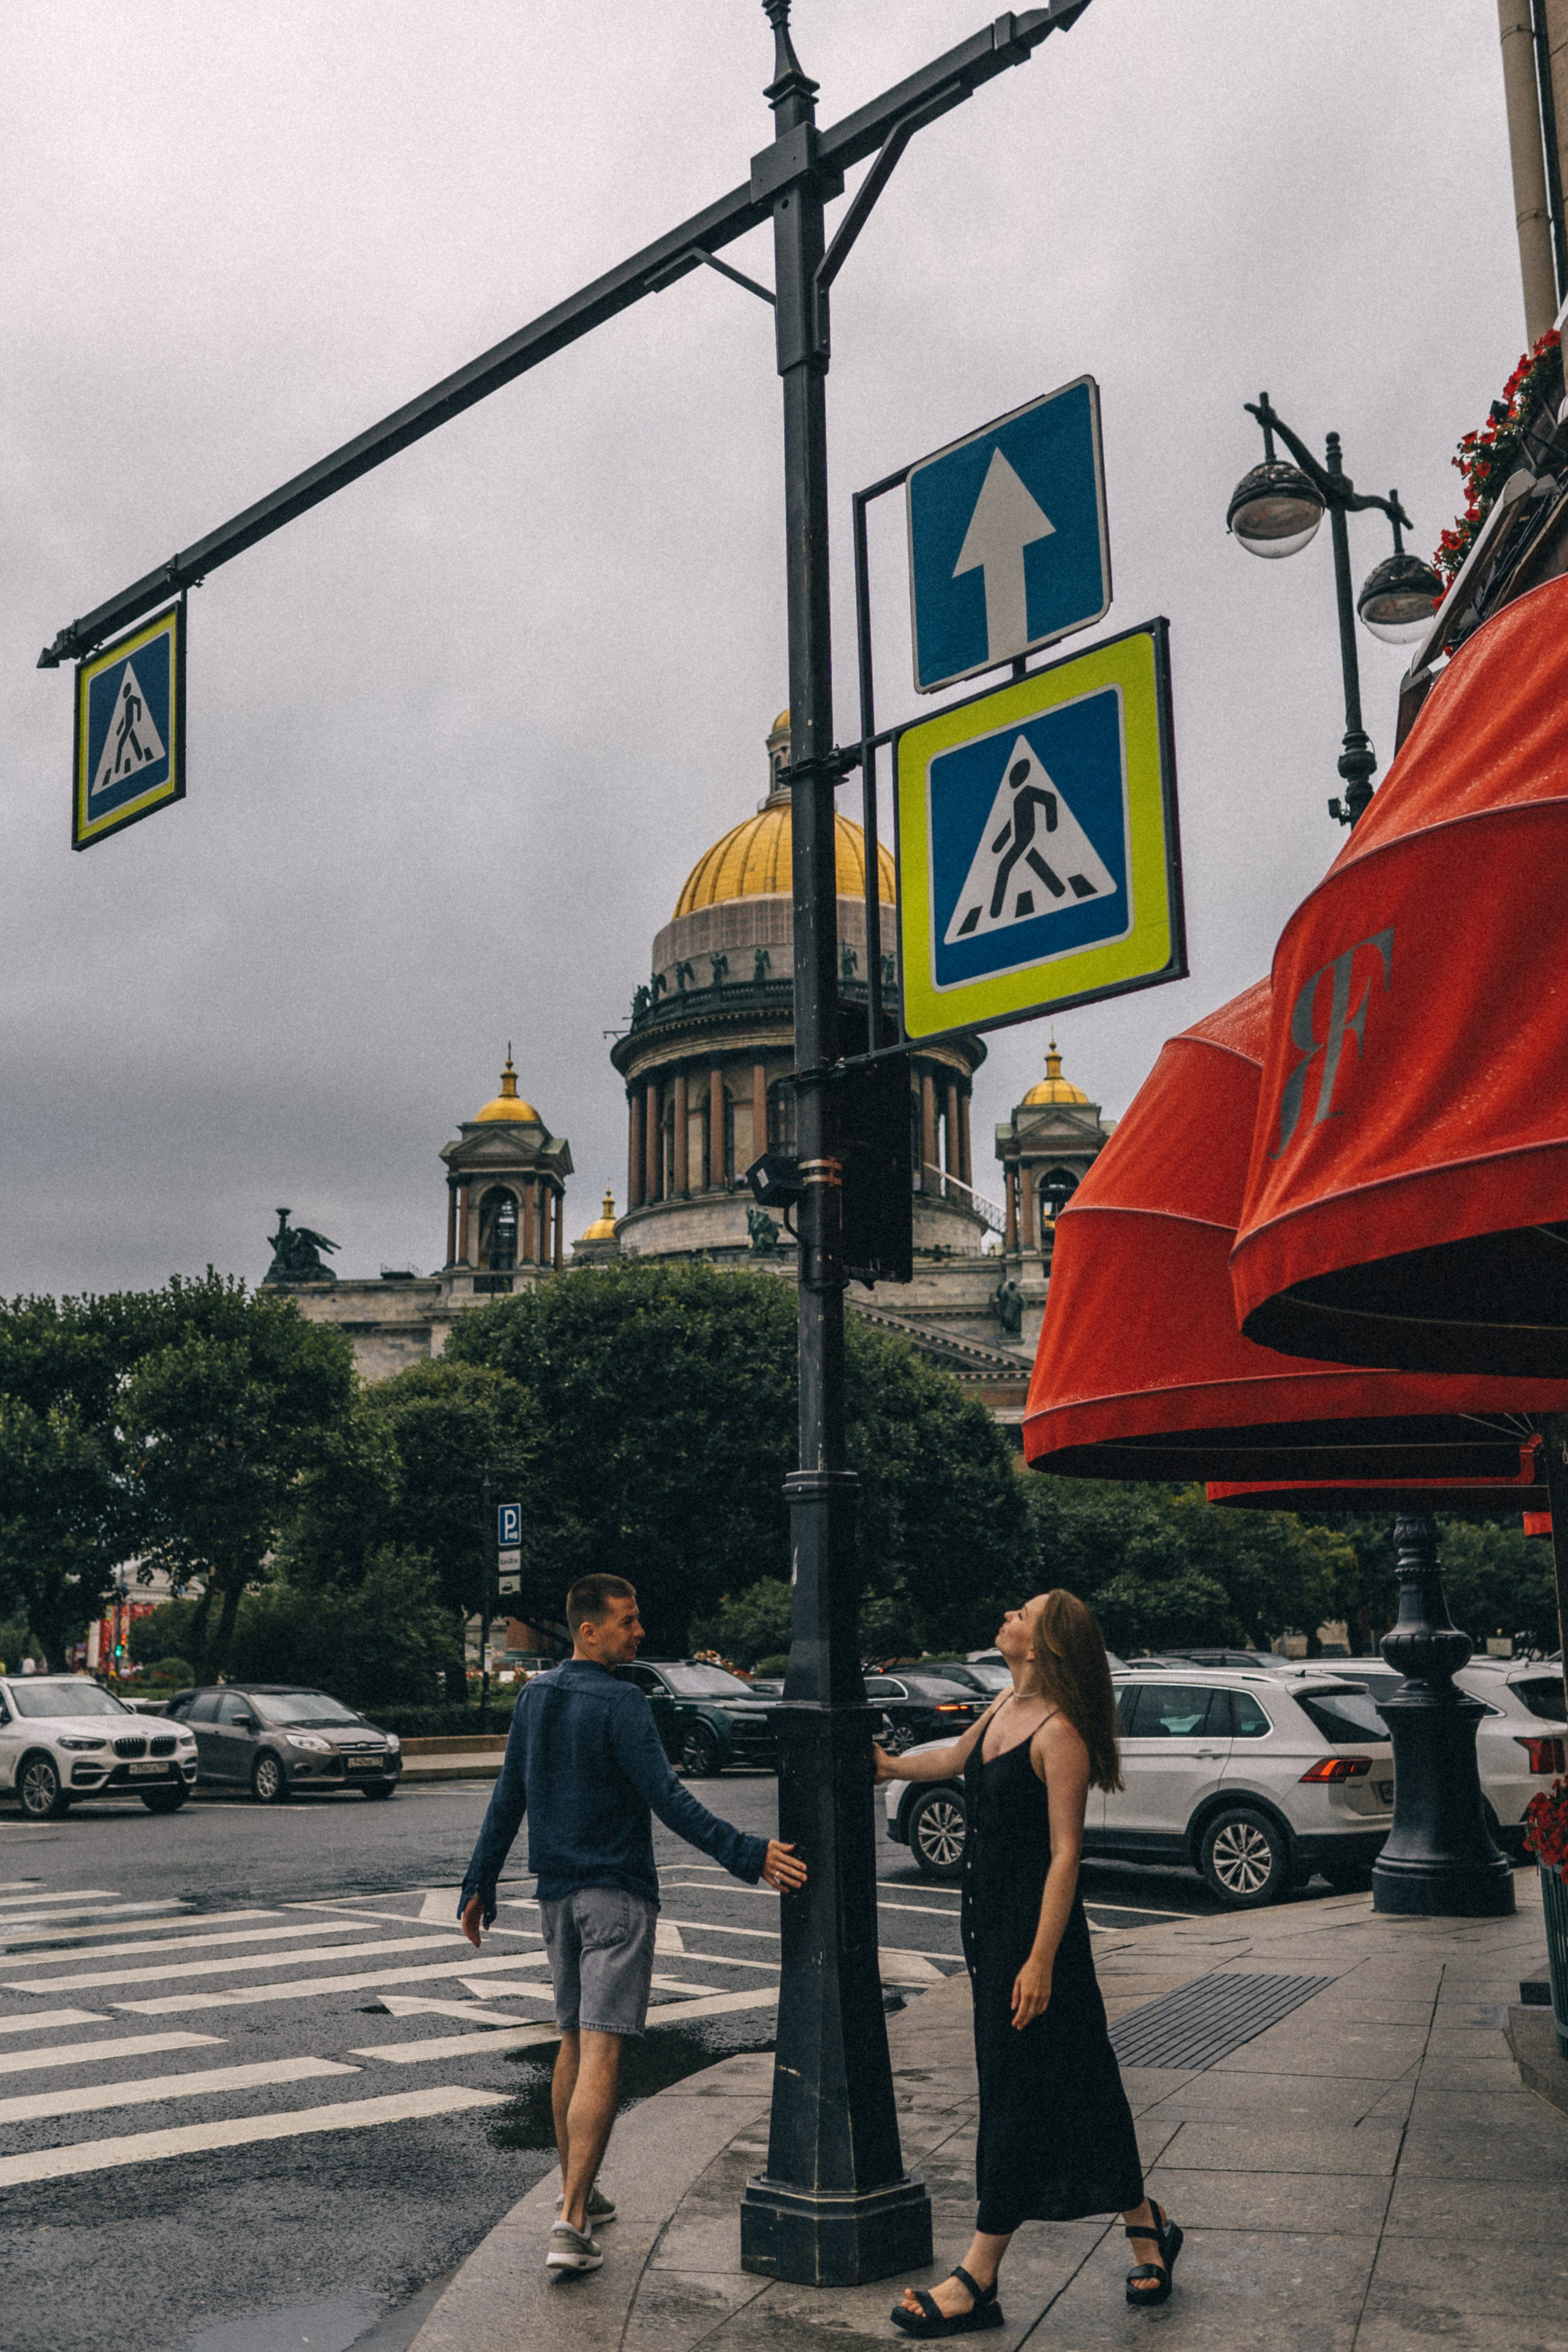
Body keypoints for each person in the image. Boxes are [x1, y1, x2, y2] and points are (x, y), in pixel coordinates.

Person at [459, 1573, 807, 2279]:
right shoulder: (621, 1702)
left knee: (571, 2042)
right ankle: (570, 2220)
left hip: (556, 1899)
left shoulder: (535, 1696)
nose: (638, 1630)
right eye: (626, 1621)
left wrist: (479, 1883)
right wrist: (748, 1854)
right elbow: (668, 1798)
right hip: (615, 1896)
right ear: (587, 1630)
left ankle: (576, 2192)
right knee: (604, 2052)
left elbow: (510, 1794)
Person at [875, 1591, 1180, 2334]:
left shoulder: (1059, 1732)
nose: (1008, 1615)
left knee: (1014, 2094)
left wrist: (1041, 1961)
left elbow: (1065, 1855)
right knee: (1082, 2086)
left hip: (1038, 1946)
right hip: (991, 1934)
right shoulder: (1004, 1708)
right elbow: (950, 1759)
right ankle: (1149, 2225)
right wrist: (883, 1764)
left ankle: (978, 2277)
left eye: (1023, 1612)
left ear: (1042, 1644)